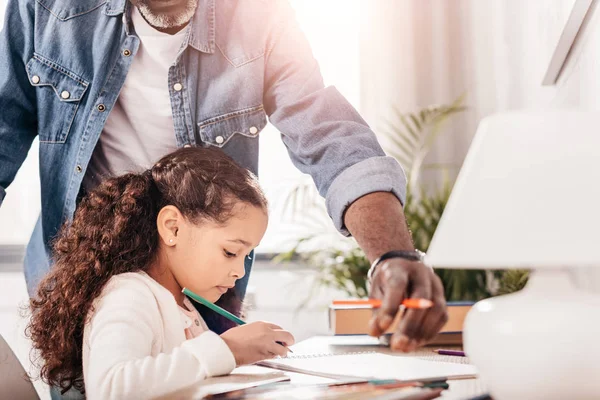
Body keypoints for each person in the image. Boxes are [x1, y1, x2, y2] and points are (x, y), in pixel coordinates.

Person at [0, 0, 447, 358]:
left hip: (202, 303)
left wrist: (391, 255)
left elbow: (327, 133)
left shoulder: (261, 16)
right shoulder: (44, 9)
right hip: (81, 289)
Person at [27, 148, 295, 398]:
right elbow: (111, 388)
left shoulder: (184, 306)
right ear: (172, 228)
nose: (239, 271)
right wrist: (228, 349)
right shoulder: (128, 294)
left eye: (247, 256)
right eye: (230, 252)